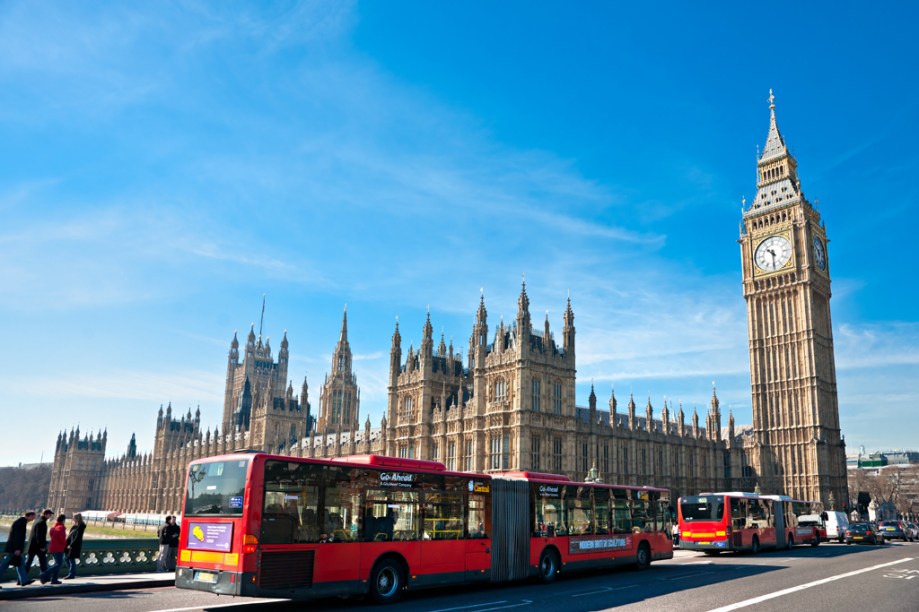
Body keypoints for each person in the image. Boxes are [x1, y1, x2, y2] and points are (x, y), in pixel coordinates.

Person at [2, 510, 35, 588]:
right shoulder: (21, 523)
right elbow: (17, 537)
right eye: (33, 517)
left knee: (20, 563)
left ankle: (23, 580)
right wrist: (17, 549)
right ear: (29, 516)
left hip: (14, 547)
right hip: (14, 548)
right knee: (5, 565)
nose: (33, 519)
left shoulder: (20, 521)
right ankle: (23, 580)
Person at [23, 509, 53, 584]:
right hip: (38, 547)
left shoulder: (37, 520)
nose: (50, 516)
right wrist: (42, 546)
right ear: (46, 514)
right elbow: (39, 536)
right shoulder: (42, 522)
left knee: (28, 563)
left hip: (32, 546)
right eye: (50, 514)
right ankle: (44, 578)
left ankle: (22, 579)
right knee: (43, 562)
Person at [40, 514, 66, 584]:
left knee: (57, 564)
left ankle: (54, 579)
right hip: (58, 548)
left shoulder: (53, 526)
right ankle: (44, 574)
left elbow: (51, 535)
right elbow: (62, 539)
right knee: (59, 564)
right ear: (63, 520)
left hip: (52, 547)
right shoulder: (61, 527)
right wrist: (65, 545)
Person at [64, 513, 86, 579]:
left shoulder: (81, 526)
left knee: (71, 559)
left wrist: (71, 545)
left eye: (73, 517)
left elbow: (78, 537)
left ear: (77, 518)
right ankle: (72, 573)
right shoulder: (75, 526)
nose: (72, 519)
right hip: (69, 544)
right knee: (67, 558)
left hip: (74, 545)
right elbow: (70, 535)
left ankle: (71, 574)